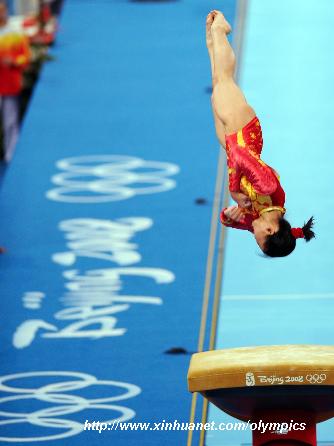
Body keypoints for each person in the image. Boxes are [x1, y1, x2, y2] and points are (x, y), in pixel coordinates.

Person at [206, 10, 315, 257]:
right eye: (257, 240)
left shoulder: (259, 216)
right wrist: (234, 190)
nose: (252, 235)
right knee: (225, 80)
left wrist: (228, 214)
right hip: (244, 132)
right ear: (270, 230)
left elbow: (230, 221)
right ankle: (221, 30)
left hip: (230, 141)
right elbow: (241, 154)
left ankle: (213, 40)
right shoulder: (269, 188)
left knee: (217, 85)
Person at [0, 0, 31, 162]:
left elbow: (25, 57)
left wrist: (13, 62)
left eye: (2, 10)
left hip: (8, 84)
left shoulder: (14, 33)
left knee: (10, 122)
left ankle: (12, 154)